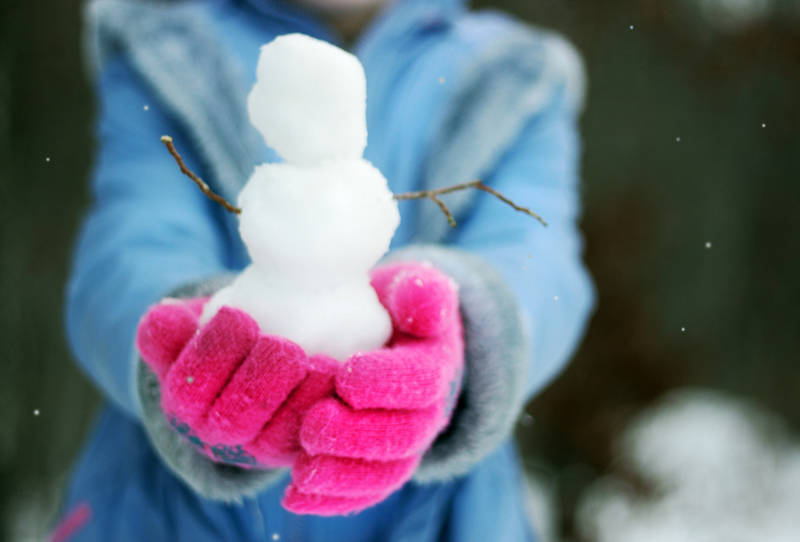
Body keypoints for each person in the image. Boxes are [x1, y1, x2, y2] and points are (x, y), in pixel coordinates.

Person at [54, 0, 595, 539]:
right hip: (170, 518)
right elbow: (131, 246)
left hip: (442, 519)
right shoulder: (169, 45)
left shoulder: (511, 73)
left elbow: (536, 261)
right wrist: (190, 352)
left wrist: (467, 335)